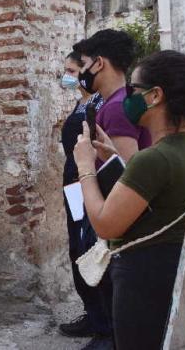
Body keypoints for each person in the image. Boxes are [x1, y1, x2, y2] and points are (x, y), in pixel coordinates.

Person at [74, 50, 185, 350]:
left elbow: (105, 224)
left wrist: (85, 168)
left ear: (155, 96)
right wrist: (114, 157)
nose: (127, 96)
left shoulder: (153, 158)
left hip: (143, 278)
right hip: (171, 271)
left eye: (133, 89)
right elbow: (156, 195)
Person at [72, 29, 151, 350]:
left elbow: (128, 174)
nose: (81, 73)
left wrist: (87, 169)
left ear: (99, 63)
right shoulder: (116, 102)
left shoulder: (117, 107)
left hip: (116, 220)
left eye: (84, 64)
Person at [57, 52, 110, 339]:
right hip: (73, 187)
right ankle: (93, 314)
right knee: (77, 250)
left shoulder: (100, 103)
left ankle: (106, 327)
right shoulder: (80, 103)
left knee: (92, 249)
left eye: (71, 70)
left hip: (90, 183)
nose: (66, 75)